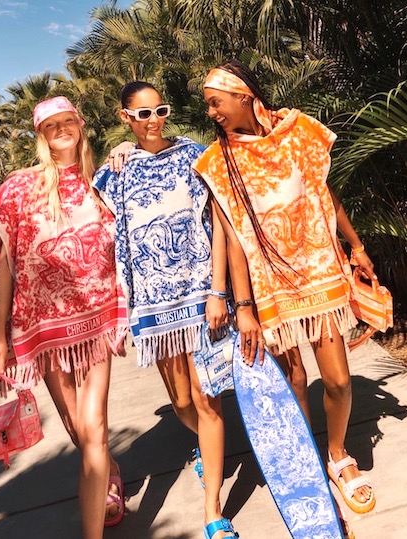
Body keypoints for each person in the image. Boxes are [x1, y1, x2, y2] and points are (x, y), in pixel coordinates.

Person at [192, 60, 377, 521]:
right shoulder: (218, 161)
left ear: (244, 96)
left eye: (216, 102)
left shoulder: (298, 132)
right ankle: (310, 470)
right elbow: (233, 237)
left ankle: (337, 453)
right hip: (269, 287)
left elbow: (324, 193)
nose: (211, 112)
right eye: (208, 105)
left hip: (318, 271)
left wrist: (356, 246)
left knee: (337, 380)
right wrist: (243, 306)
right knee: (293, 380)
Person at [94, 82, 238, 539]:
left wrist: (219, 291)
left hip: (201, 297)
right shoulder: (114, 173)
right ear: (125, 118)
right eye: (142, 114)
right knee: (182, 403)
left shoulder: (194, 155)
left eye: (160, 110)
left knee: (207, 400)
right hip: (154, 311)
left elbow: (219, 222)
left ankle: (213, 508)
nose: (153, 120)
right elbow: (97, 233)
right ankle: (204, 449)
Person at [0, 96, 128, 539]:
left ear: (80, 125)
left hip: (97, 321)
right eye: (52, 125)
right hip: (42, 327)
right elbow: (5, 264)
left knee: (94, 428)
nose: (62, 129)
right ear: (41, 135)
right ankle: (108, 476)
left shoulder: (102, 181)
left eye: (68, 121)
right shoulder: (20, 187)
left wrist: (125, 147)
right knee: (77, 428)